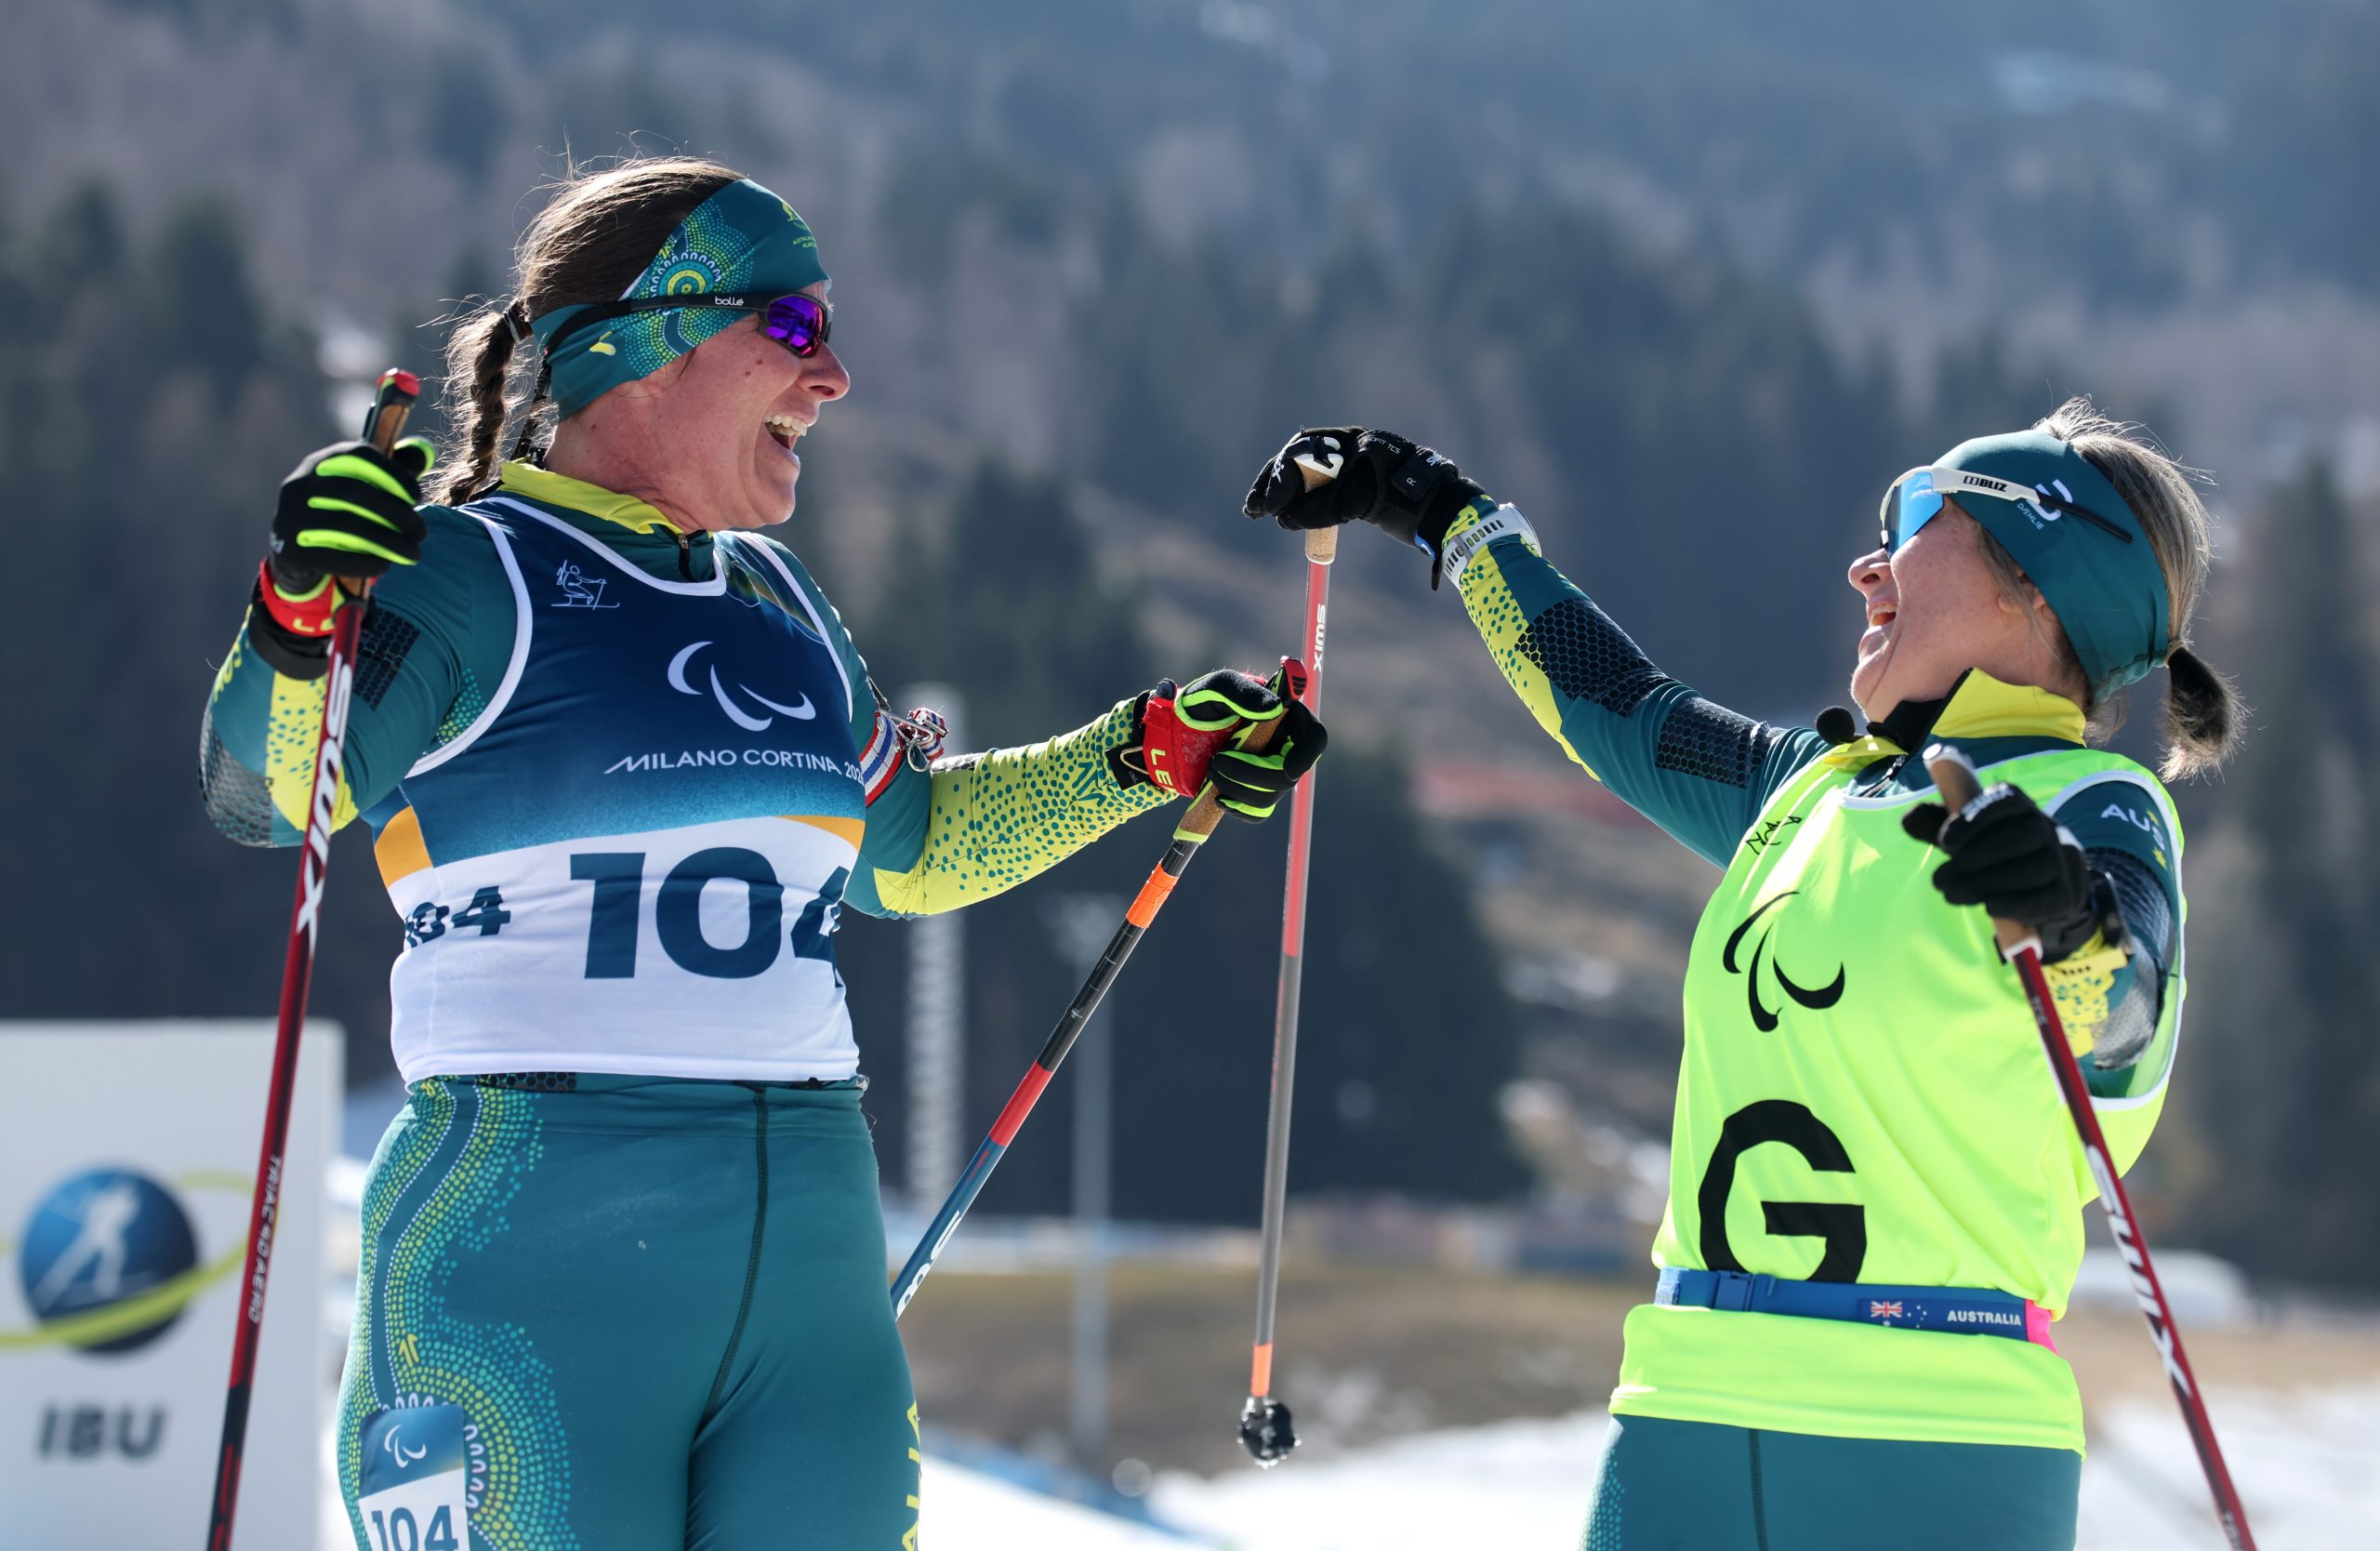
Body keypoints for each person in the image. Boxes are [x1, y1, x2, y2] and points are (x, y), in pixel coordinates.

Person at [200, 155, 1324, 1550]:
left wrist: (1139, 756)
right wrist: (294, 612)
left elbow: (909, 852)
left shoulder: (780, 602)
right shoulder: (464, 572)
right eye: (793, 328)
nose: (833, 377)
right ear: (645, 341)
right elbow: (267, 799)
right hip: (533, 1236)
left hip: (808, 1248)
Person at [1244, 403, 2239, 1550]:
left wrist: (2068, 919)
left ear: (2038, 579)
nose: (1867, 566)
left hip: (1932, 1429)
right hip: (1686, 1411)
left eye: (1917, 516)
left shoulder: (2095, 805)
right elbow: (1612, 702)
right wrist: (1439, 512)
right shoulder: (1808, 788)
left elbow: (2125, 1010)